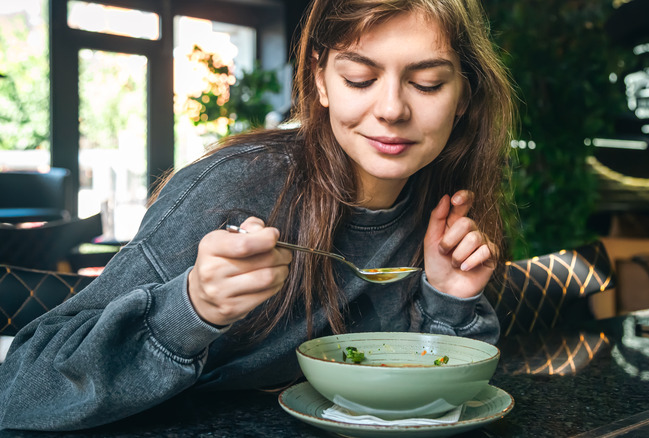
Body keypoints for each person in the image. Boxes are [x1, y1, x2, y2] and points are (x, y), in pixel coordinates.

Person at [0, 0, 516, 431]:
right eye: (359, 78)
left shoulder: (442, 203)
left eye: (426, 83)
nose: (392, 109)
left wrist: (448, 299)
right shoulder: (236, 188)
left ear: (464, 95)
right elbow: (21, 387)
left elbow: (441, 403)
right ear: (319, 80)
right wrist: (192, 306)